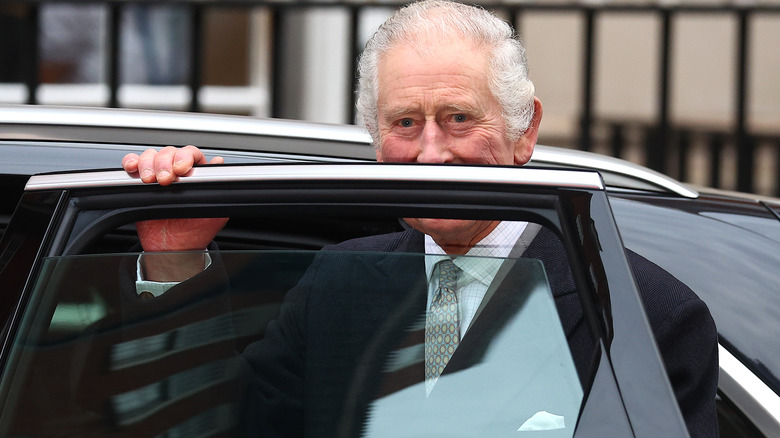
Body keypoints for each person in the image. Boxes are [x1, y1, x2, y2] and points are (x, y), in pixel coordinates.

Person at [122, 1, 719, 436]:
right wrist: (176, 258)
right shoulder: (340, 279)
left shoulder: (644, 311)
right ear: (376, 140)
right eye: (405, 122)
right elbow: (217, 424)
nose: (432, 152)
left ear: (524, 130)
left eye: (459, 117)